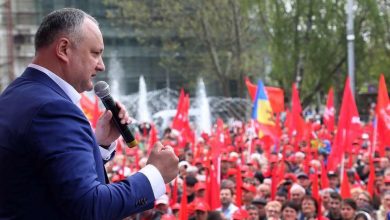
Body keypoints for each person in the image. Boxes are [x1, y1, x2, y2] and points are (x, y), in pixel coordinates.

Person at [0, 8, 179, 220]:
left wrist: (98, 144)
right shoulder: (54, 108)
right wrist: (155, 175)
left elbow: (44, 178)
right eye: (95, 53)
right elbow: (90, 206)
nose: (101, 65)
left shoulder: (14, 94)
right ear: (64, 49)